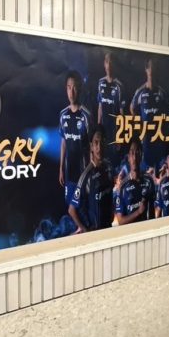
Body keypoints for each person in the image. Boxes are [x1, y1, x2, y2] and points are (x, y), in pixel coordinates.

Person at [68, 127, 114, 233]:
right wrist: (85, 229)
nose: (99, 147)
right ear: (91, 146)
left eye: (101, 142)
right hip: (95, 233)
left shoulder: (109, 166)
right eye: (96, 143)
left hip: (109, 228)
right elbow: (71, 210)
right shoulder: (86, 175)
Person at [59, 70, 93, 206]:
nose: (71, 92)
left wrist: (91, 173)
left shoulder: (86, 115)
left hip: (83, 172)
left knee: (82, 208)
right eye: (69, 87)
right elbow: (63, 142)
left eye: (74, 87)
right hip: (69, 172)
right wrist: (61, 168)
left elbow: (92, 146)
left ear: (79, 88)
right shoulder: (63, 115)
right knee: (70, 207)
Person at [130, 59, 167, 175]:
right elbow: (131, 108)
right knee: (147, 167)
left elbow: (167, 112)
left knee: (159, 168)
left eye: (153, 67)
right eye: (149, 67)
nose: (151, 69)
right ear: (146, 69)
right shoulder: (140, 91)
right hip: (146, 137)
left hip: (158, 136)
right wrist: (139, 124)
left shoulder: (161, 92)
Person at [114, 137, 155, 225]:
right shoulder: (122, 187)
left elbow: (152, 213)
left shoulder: (149, 181)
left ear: (141, 156)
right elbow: (120, 221)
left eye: (137, 153)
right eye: (132, 153)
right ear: (128, 157)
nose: (135, 157)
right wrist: (138, 212)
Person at [96, 52, 124, 158]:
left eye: (111, 62)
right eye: (107, 62)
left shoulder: (119, 86)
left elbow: (121, 113)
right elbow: (100, 106)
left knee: (114, 158)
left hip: (114, 131)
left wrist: (120, 135)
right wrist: (98, 128)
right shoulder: (100, 83)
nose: (109, 65)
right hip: (103, 130)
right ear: (104, 64)